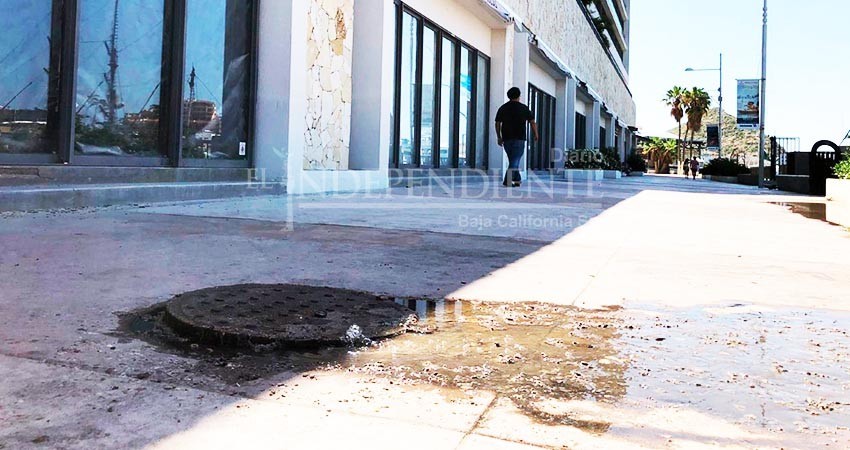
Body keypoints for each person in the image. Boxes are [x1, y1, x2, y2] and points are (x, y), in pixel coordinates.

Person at [495, 87, 538, 187]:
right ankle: (508, 180)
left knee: (513, 160)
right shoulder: (524, 108)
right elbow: (532, 122)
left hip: (506, 137)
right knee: (515, 160)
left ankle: (517, 179)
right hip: (519, 137)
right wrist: (536, 134)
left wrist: (499, 136)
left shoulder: (503, 108)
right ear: (519, 96)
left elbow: (497, 123)